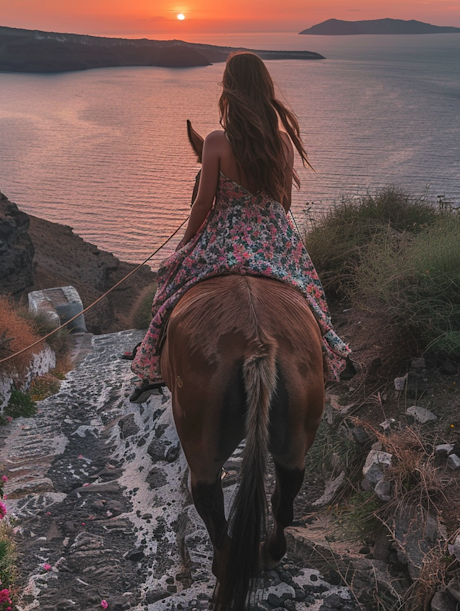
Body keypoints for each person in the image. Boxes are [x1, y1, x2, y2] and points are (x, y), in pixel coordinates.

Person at [128, 51, 351, 403]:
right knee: (308, 291)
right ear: (265, 88)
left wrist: (183, 247)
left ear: (229, 89)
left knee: (170, 284)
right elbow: (285, 204)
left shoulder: (216, 141)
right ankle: (329, 353)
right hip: (273, 235)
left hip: (224, 236)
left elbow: (203, 203)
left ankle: (152, 364)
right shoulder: (282, 141)